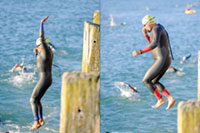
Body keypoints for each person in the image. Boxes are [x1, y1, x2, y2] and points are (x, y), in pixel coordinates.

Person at [132, 15, 176, 110]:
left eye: (144, 25)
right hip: (166, 59)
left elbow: (155, 44)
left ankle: (160, 99)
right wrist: (146, 35)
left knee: (145, 80)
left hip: (161, 60)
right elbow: (153, 44)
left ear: (149, 23)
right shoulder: (159, 27)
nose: (144, 28)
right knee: (154, 81)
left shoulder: (156, 29)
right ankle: (169, 98)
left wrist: (140, 51)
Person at [29, 16, 53, 130]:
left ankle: (36, 122)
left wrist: (41, 24)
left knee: (32, 99)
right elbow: (41, 63)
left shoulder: (44, 49)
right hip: (47, 79)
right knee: (37, 100)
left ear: (40, 45)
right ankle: (41, 120)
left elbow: (41, 37)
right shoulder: (47, 53)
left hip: (44, 79)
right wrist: (36, 55)